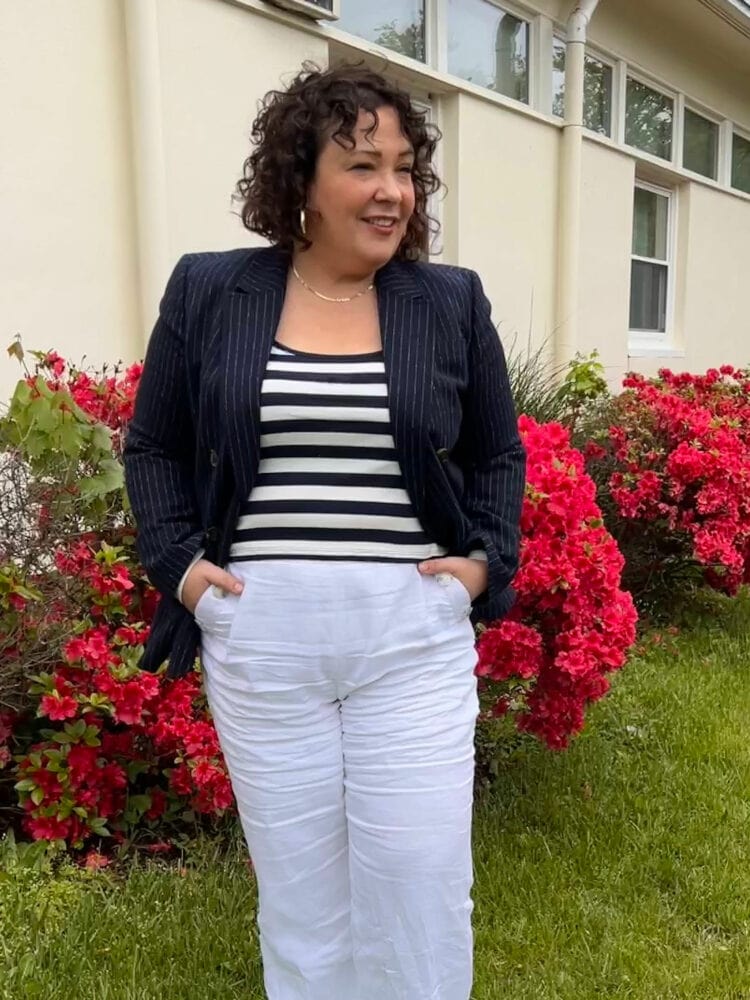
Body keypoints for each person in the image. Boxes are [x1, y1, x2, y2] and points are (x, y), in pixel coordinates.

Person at [123, 62, 525, 1000]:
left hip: (409, 638)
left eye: (404, 168)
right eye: (361, 166)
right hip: (264, 638)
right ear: (300, 180)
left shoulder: (450, 302)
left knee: (420, 888)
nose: (391, 191)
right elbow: (154, 445)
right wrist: (181, 572)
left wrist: (479, 570)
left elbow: (500, 457)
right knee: (301, 902)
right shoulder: (211, 290)